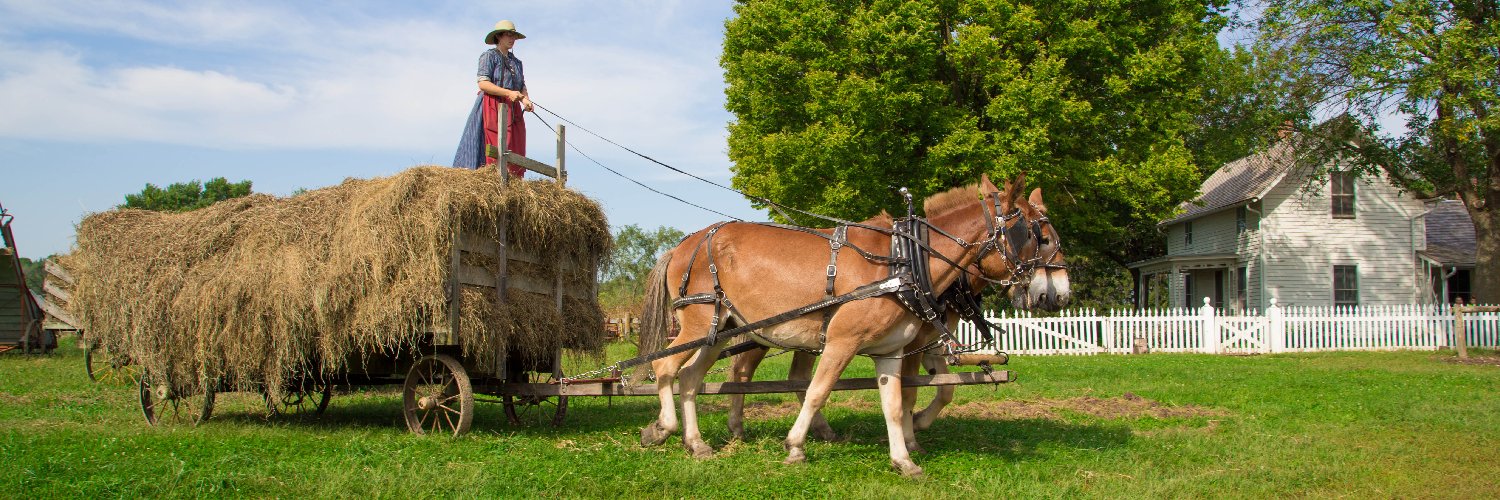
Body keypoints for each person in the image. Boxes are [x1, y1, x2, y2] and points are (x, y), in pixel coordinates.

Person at [453, 20, 533, 177]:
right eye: (508, 35)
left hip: (512, 108)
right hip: (492, 105)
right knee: (492, 143)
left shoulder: (517, 62)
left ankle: (511, 178)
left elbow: (521, 85)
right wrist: (507, 93)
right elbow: (483, 83)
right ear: (499, 36)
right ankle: (489, 176)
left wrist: (525, 100)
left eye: (514, 36)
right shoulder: (489, 56)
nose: (512, 39)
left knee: (514, 143)